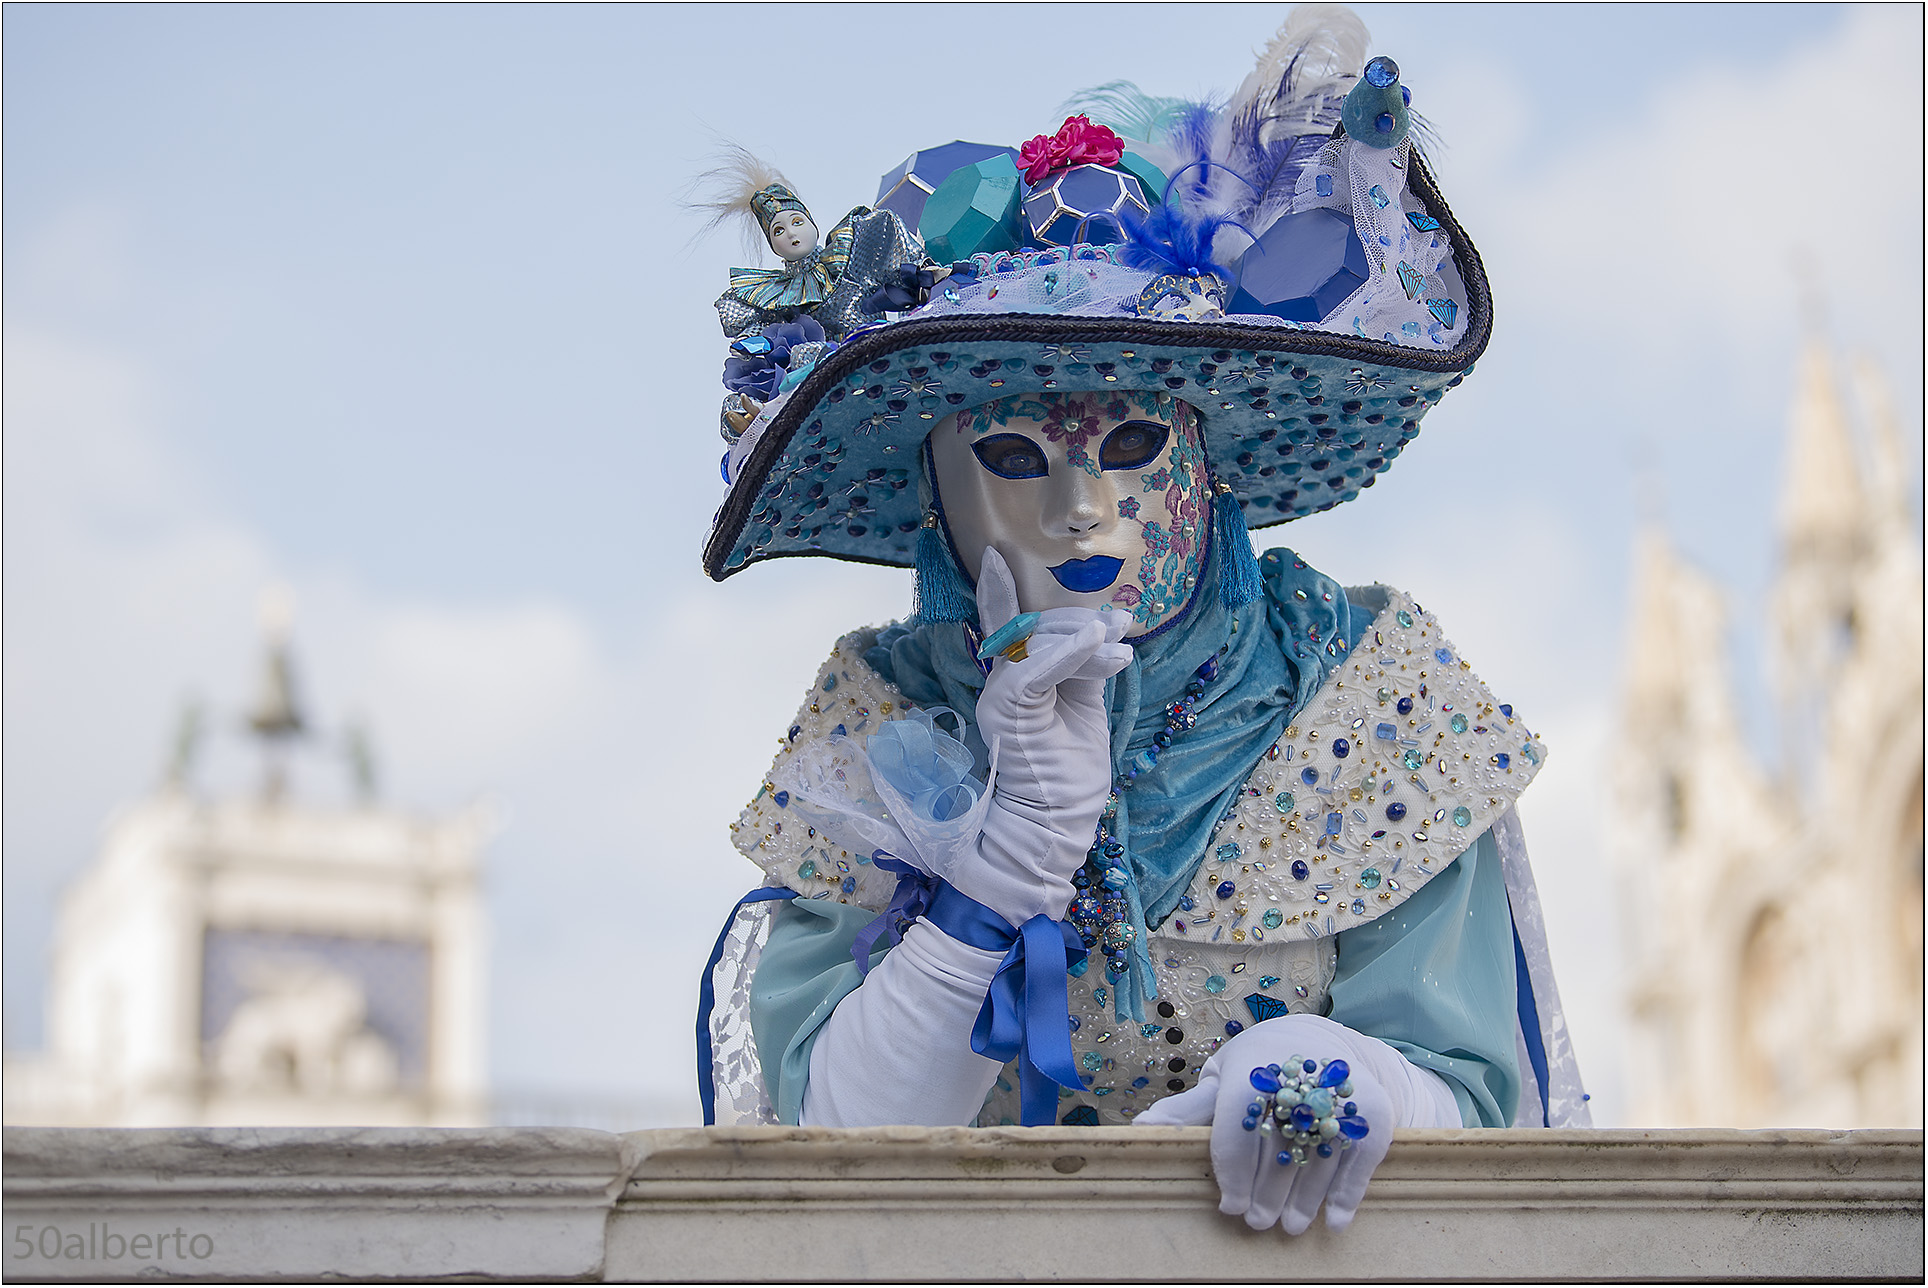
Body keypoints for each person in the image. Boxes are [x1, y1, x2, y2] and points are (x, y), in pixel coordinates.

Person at [696, 4, 1589, 1236]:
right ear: (935, 505)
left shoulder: (1359, 687)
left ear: (1206, 464)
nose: (1077, 506)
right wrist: (1000, 868)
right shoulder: (885, 718)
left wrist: (1354, 1080)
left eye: (1127, 444)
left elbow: (1484, 1106)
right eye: (1011, 454)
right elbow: (828, 1148)